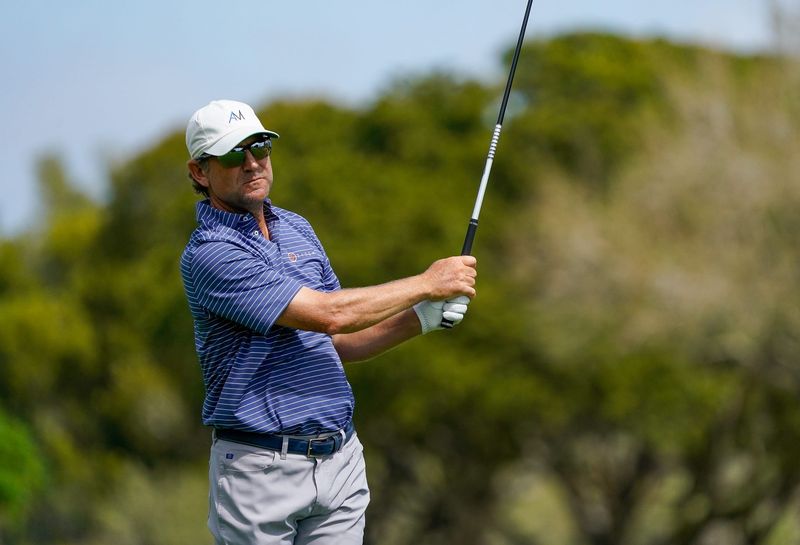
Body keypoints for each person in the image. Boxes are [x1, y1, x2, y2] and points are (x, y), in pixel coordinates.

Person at [180, 99, 477, 545]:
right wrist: (427, 283)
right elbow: (328, 312)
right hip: (260, 472)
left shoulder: (297, 228)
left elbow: (336, 337)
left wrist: (419, 319)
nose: (252, 163)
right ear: (200, 172)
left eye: (259, 147)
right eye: (231, 154)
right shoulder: (210, 254)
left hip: (339, 462)